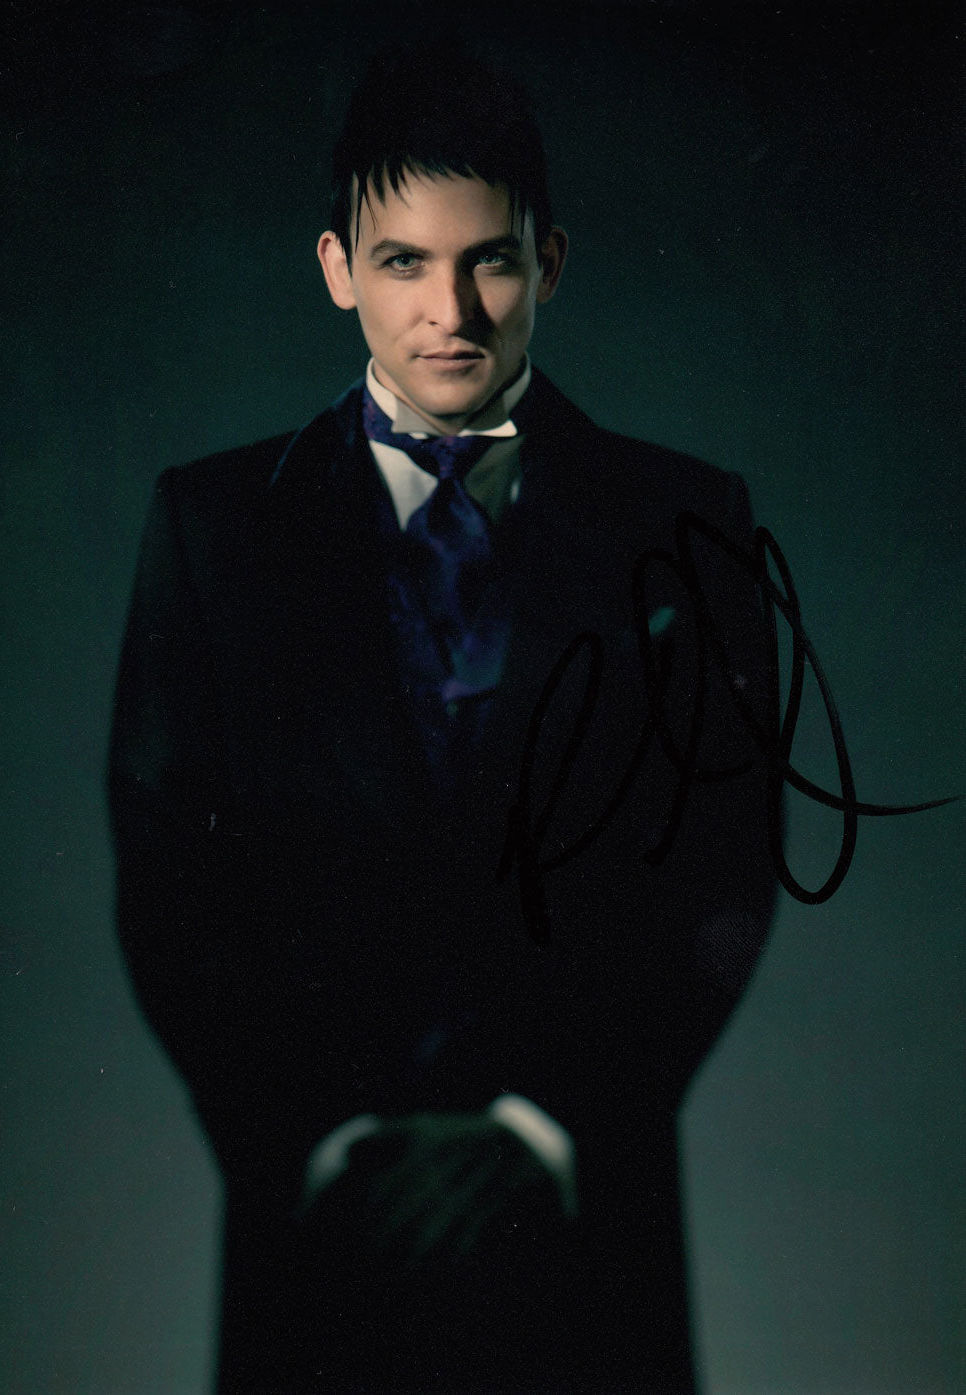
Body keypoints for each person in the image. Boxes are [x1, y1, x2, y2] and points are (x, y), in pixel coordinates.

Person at [108, 40, 779, 1394]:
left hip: (581, 1216)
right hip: (325, 1214)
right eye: (404, 261)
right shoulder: (215, 528)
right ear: (337, 269)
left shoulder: (685, 520)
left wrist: (543, 1126)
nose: (450, 310)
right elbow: (170, 876)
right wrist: (317, 1136)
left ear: (551, 262)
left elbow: (724, 870)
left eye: (491, 261)